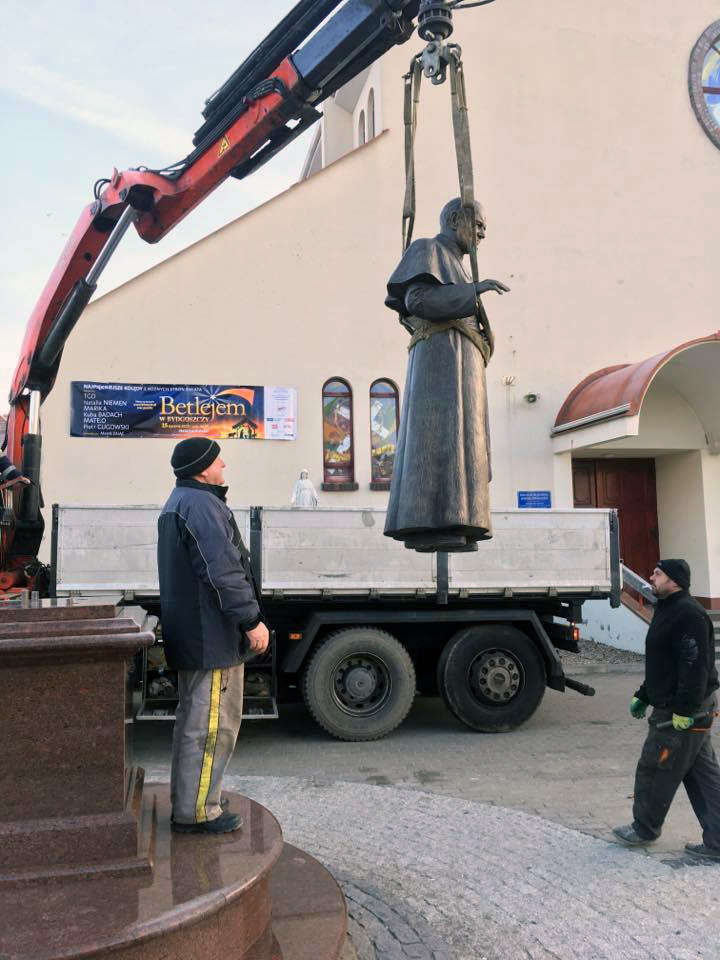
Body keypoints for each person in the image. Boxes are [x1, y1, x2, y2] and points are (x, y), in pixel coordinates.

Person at [383, 197, 509, 553]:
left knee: (464, 441)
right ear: (455, 220)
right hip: (440, 365)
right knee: (440, 438)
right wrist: (473, 291)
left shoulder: (459, 266)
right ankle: (431, 521)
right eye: (478, 225)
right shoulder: (428, 249)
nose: (482, 234)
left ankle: (461, 522)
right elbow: (418, 301)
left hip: (462, 366)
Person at [157, 437, 269, 834]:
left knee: (196, 724)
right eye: (219, 461)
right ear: (203, 469)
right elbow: (221, 571)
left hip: (199, 636)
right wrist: (250, 620)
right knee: (210, 728)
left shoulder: (182, 502)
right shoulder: (201, 506)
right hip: (212, 640)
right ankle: (197, 813)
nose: (224, 466)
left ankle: (194, 801)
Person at [613, 559, 720, 859]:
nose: (651, 577)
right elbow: (663, 663)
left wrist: (684, 709)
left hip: (681, 710)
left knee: (655, 768)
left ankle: (644, 828)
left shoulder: (688, 614)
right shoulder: (668, 609)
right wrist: (644, 694)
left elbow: (694, 665)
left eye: (658, 574)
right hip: (683, 706)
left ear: (674, 581)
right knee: (702, 774)